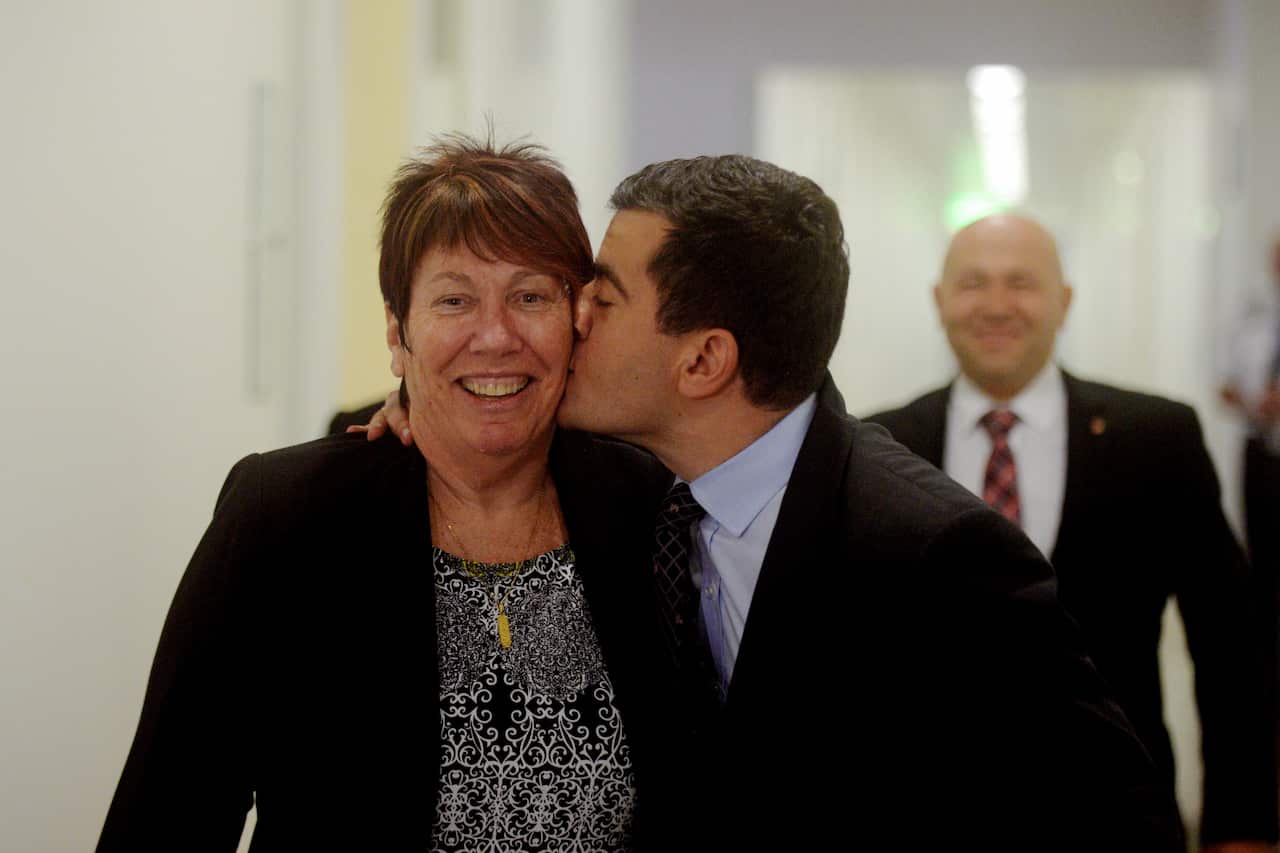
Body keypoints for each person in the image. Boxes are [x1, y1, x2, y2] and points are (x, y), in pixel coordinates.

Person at [364, 156, 1185, 848]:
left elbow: (1119, 820)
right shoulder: (631, 485)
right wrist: (427, 402)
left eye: (603, 298)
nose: (570, 318)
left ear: (703, 362)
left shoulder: (934, 553)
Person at [98, 137, 677, 851]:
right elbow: (166, 816)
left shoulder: (652, 506)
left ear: (576, 322)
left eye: (530, 296)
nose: (495, 335)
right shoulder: (284, 518)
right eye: (454, 299)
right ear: (398, 333)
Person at [868, 213, 1278, 850]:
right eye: (973, 283)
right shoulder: (875, 448)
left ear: (1064, 301)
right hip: (926, 820)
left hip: (1118, 818)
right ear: (938, 299)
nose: (997, 305)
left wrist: (1242, 828)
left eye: (1022, 283)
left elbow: (1228, 644)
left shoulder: (1157, 439)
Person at [1221, 235, 1280, 613]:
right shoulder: (1253, 317)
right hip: (1258, 446)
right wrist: (1250, 401)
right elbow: (1224, 383)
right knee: (1260, 551)